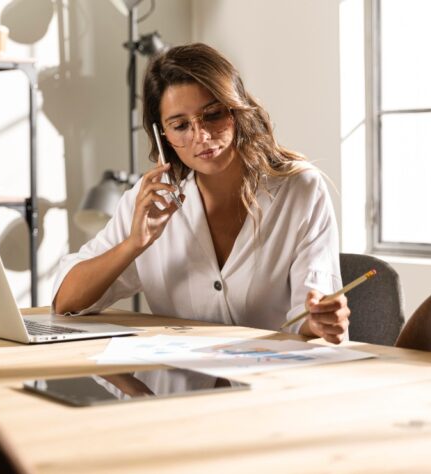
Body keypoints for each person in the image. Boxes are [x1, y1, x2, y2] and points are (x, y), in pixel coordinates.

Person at [52, 43, 350, 344]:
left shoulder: (299, 190)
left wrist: (321, 321)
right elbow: (66, 302)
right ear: (163, 136)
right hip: (177, 384)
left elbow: (311, 317)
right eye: (180, 125)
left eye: (213, 115)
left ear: (235, 109)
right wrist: (134, 244)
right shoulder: (150, 201)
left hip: (272, 381)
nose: (202, 136)